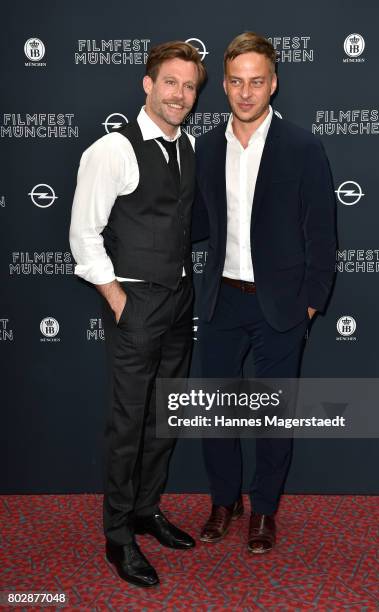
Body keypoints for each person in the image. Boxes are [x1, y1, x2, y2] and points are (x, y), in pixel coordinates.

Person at [193, 32, 336, 554]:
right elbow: (190, 223)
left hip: (282, 304)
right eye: (236, 82)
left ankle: (265, 510)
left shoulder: (303, 146)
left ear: (273, 83)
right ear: (224, 85)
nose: (246, 92)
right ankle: (223, 502)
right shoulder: (206, 147)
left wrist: (311, 301)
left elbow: (322, 232)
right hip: (220, 301)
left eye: (257, 81)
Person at [69, 41, 206, 587]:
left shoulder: (189, 145)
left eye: (190, 86)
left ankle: (147, 510)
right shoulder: (113, 150)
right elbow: (84, 232)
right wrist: (119, 299)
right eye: (170, 82)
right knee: (128, 423)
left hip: (179, 301)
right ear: (147, 85)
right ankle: (118, 534)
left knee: (163, 416)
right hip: (136, 302)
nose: (180, 94)